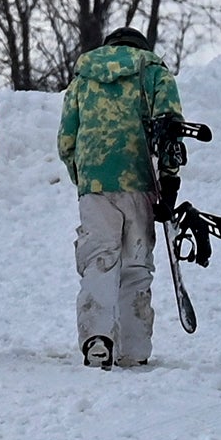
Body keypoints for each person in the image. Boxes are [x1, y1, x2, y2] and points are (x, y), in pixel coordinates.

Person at [57, 27, 184, 368]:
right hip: (140, 179)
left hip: (95, 182)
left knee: (99, 257)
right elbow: (171, 131)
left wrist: (83, 177)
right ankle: (135, 346)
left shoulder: (82, 78)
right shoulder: (155, 73)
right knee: (136, 262)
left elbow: (66, 138)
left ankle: (98, 341)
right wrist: (169, 183)